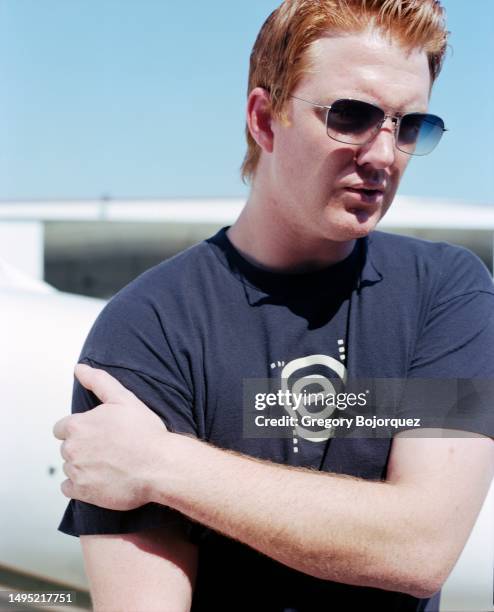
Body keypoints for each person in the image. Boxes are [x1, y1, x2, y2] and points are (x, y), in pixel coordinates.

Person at [54, 1, 494, 610]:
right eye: (352, 116)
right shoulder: (148, 329)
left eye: (410, 125)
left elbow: (421, 546)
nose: (385, 157)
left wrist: (163, 464)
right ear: (264, 120)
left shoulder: (447, 293)